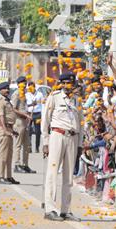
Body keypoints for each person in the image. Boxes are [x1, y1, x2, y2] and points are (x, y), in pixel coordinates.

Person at [42, 73, 83, 221]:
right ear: (61, 84)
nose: (68, 86)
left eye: (70, 83)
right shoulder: (54, 97)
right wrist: (45, 142)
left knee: (69, 176)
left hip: (72, 137)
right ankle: (50, 209)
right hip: (57, 136)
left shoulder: (77, 100)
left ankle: (66, 210)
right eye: (65, 83)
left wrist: (80, 144)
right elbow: (45, 121)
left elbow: (81, 124)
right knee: (52, 173)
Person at [0, 82, 19, 185]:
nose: (7, 90)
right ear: (0, 90)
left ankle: (8, 176)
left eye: (8, 88)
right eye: (4, 89)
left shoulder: (7, 100)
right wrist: (5, 130)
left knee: (9, 155)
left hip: (9, 128)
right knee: (3, 155)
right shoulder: (0, 101)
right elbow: (1, 116)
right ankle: (0, 176)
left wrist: (12, 131)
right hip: (4, 129)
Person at [12, 76, 35, 174]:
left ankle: (25, 165)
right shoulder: (16, 94)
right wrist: (25, 114)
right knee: (18, 144)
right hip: (19, 121)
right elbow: (14, 108)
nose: (24, 85)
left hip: (25, 121)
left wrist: (32, 105)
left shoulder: (24, 94)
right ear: (18, 84)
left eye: (25, 83)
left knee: (27, 144)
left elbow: (23, 107)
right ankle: (17, 165)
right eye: (22, 83)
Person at [28, 81, 44, 153]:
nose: (31, 88)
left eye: (32, 87)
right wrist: (31, 104)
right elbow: (25, 105)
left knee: (37, 131)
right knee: (29, 131)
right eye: (30, 87)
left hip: (38, 113)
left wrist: (43, 114)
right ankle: (29, 146)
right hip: (29, 114)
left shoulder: (40, 94)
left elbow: (43, 104)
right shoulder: (26, 95)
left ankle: (37, 147)